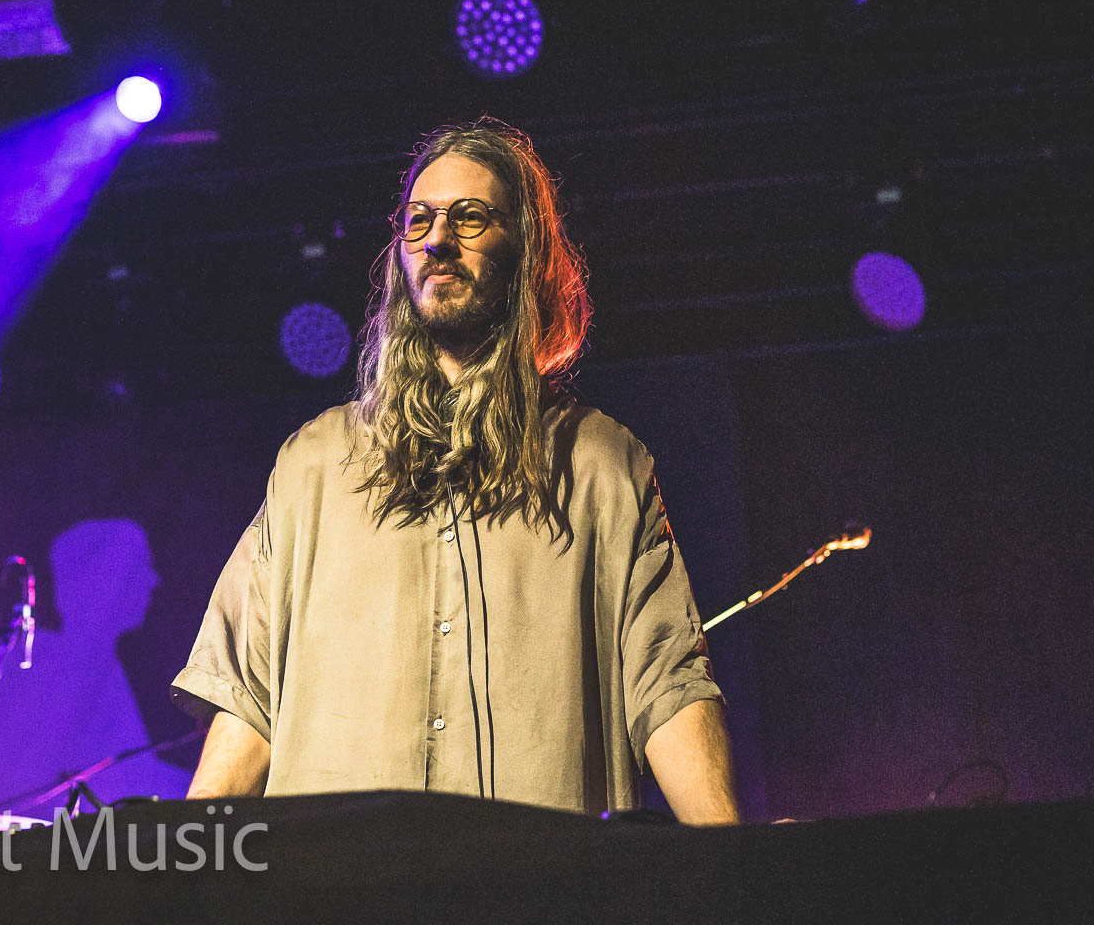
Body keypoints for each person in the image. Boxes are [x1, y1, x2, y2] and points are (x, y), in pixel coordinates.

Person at [171, 118, 738, 823]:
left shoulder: (602, 464)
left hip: (532, 876)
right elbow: (247, 695)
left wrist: (732, 859)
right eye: (419, 220)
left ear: (525, 249)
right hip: (341, 875)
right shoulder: (312, 464)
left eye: (469, 218)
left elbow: (669, 684)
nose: (438, 239)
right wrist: (187, 860)